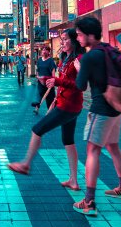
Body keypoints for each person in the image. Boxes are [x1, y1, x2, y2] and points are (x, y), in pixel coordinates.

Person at [8, 29, 85, 191]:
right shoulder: (65, 59)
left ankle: (26, 164)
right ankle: (74, 180)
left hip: (69, 106)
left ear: (75, 41)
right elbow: (64, 82)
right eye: (61, 39)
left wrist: (56, 82)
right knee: (68, 141)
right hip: (67, 104)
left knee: (37, 129)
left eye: (65, 39)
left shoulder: (78, 59)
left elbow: (80, 85)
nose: (62, 42)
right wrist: (55, 97)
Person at [72, 16, 121, 215]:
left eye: (80, 35)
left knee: (92, 152)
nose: (78, 38)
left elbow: (80, 86)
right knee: (113, 147)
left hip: (101, 109)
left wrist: (80, 69)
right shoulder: (109, 49)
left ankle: (89, 201)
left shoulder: (90, 57)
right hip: (117, 107)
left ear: (91, 35)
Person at [33, 47, 57, 112]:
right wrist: (37, 77)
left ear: (49, 52)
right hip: (40, 81)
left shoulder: (50, 60)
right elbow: (38, 70)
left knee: (50, 98)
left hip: (48, 82)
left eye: (46, 50)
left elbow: (53, 70)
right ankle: (37, 108)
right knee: (39, 95)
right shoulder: (39, 60)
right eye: (43, 50)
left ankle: (50, 111)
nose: (44, 51)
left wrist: (53, 80)